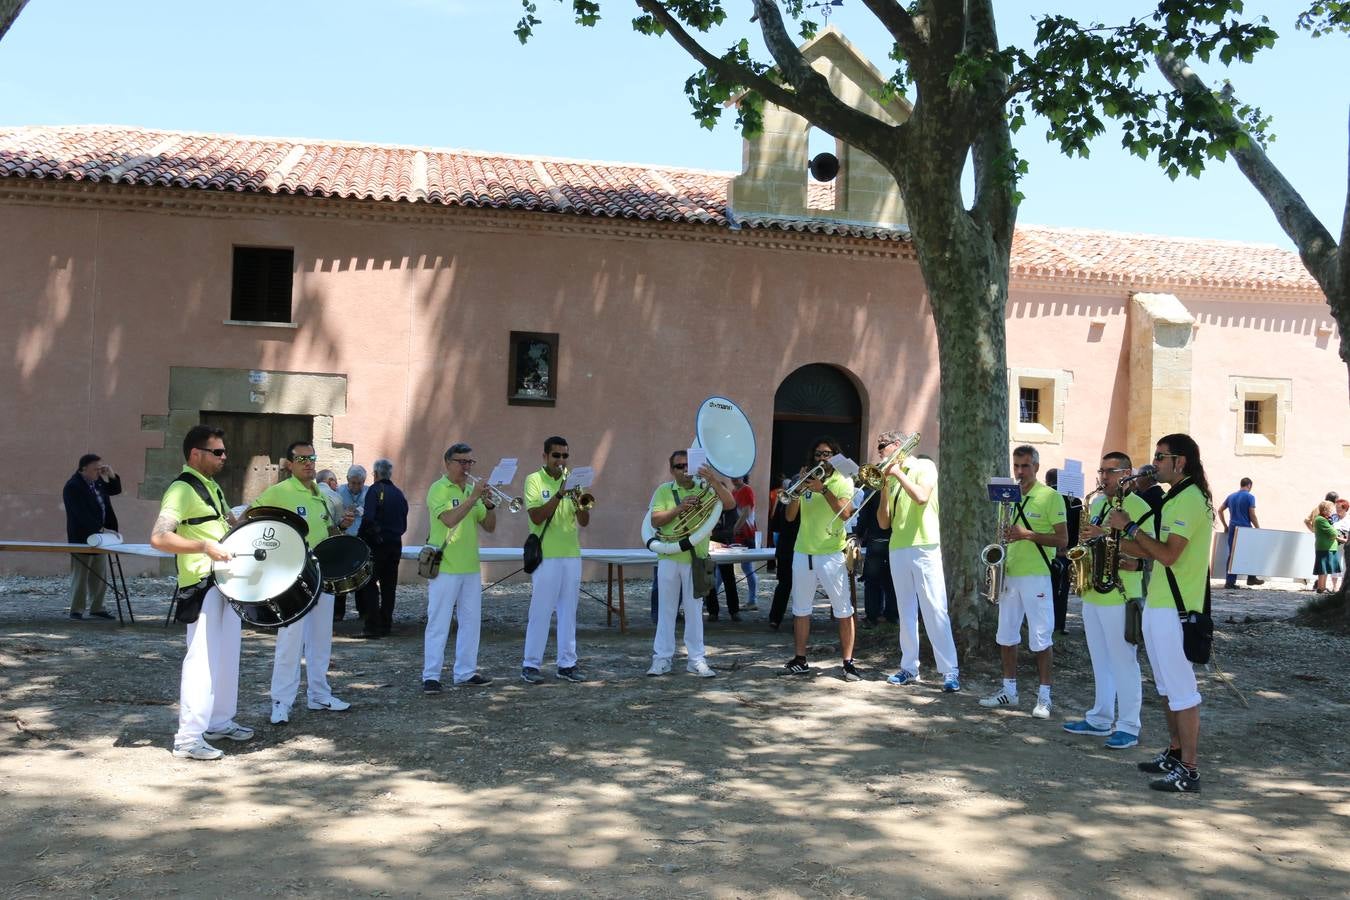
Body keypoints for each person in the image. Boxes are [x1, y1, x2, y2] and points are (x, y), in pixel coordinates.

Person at [1107, 433, 1214, 793]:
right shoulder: (1176, 497)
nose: (1155, 462)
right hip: (1161, 603)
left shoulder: (1190, 500)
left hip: (1178, 608)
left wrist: (1130, 527)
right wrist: (1114, 538)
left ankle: (1190, 769)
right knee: (1167, 688)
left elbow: (1169, 555)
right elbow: (1153, 551)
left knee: (1183, 692)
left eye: (1161, 456)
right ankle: (1175, 751)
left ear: (1180, 461)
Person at [150, 425, 251, 760]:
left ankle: (220, 721)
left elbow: (221, 525)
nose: (224, 457)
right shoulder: (181, 489)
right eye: (217, 452)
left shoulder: (213, 488)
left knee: (226, 657)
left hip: (225, 581)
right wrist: (203, 546)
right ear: (196, 454)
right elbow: (159, 538)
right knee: (202, 660)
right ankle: (188, 738)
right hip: (202, 582)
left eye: (223, 451)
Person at [257, 441, 354, 725]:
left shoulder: (321, 494)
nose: (309, 463)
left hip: (322, 574)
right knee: (290, 641)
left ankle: (319, 695)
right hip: (291, 578)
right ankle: (281, 702)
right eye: (302, 459)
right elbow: (251, 521)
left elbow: (328, 530)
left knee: (321, 639)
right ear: (289, 463)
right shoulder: (278, 492)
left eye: (312, 458)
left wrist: (343, 526)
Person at [1061, 453, 1147, 749]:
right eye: (1101, 471)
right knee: (1100, 660)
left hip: (1121, 592)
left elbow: (1145, 548)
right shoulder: (1097, 503)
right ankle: (1100, 718)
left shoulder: (1138, 507)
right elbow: (1090, 541)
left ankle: (1129, 725)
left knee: (1124, 661)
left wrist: (1104, 537)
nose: (1103, 477)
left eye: (1110, 472)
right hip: (1094, 591)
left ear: (1127, 473)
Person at [980, 445, 1067, 718]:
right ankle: (1009, 690)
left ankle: (1044, 697)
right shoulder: (1008, 497)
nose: (1019, 471)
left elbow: (1063, 541)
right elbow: (1004, 533)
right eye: (1016, 466)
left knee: (1041, 636)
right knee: (1006, 634)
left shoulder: (1050, 497)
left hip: (1036, 574)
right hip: (1009, 573)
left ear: (1037, 468)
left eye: (1025, 466)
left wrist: (1027, 534)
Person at [876, 438, 960, 692]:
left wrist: (897, 473)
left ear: (899, 446)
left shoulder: (924, 466)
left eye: (884, 448)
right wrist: (883, 486)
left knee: (935, 609)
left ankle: (950, 671)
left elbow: (922, 496)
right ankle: (909, 667)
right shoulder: (890, 477)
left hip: (925, 545)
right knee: (906, 611)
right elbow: (883, 523)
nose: (881, 454)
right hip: (898, 547)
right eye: (879, 451)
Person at [647, 450, 735, 677]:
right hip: (668, 557)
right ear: (671, 470)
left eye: (687, 465)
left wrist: (713, 479)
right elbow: (655, 520)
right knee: (666, 611)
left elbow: (730, 503)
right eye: (678, 466)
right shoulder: (664, 490)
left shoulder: (704, 488)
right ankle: (662, 659)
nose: (684, 470)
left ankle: (696, 659)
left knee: (695, 612)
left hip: (696, 559)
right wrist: (679, 509)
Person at [780, 437, 859, 681]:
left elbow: (846, 513)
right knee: (801, 609)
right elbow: (790, 517)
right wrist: (797, 491)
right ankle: (800, 659)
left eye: (826, 454)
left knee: (844, 610)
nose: (821, 458)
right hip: (803, 551)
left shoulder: (843, 480)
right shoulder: (804, 481)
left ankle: (848, 663)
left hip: (831, 553)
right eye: (817, 454)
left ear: (835, 456)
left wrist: (823, 489)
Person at [421, 444, 496, 691]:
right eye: (461, 462)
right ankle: (431, 675)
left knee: (471, 622)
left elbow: (490, 526)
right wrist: (474, 497)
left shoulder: (471, 491)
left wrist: (490, 504)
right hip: (445, 567)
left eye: (470, 462)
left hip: (471, 567)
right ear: (447, 463)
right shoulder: (438, 489)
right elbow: (449, 519)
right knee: (439, 622)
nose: (466, 467)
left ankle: (465, 671)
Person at [521, 436, 591, 684]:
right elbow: (537, 517)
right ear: (545, 457)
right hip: (547, 556)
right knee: (540, 612)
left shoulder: (573, 481)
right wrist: (561, 494)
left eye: (565, 456)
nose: (561, 461)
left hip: (571, 555)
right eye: (556, 456)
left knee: (569, 612)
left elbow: (584, 522)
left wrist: (581, 503)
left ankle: (567, 664)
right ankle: (531, 664)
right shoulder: (533, 480)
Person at [62, 453, 121, 620]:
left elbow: (115, 490)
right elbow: (80, 515)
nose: (98, 471)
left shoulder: (98, 482)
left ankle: (97, 607)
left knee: (100, 574)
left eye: (100, 468)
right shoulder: (73, 486)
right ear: (83, 468)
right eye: (95, 468)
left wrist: (112, 475)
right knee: (80, 574)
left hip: (101, 537)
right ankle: (77, 609)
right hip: (82, 537)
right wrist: (101, 529)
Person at [357, 458, 408, 637]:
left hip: (376, 545)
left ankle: (372, 626)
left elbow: (368, 517)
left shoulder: (375, 490)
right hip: (395, 544)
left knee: (369, 584)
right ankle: (386, 624)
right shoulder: (399, 493)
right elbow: (404, 521)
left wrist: (361, 538)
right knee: (389, 586)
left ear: (375, 474)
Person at [853, 442, 898, 628]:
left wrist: (858, 534)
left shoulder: (871, 491)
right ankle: (889, 616)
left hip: (880, 541)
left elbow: (863, 517)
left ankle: (874, 616)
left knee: (875, 582)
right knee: (886, 582)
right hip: (885, 541)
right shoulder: (873, 491)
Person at [330, 465, 368, 622]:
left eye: (359, 483)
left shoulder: (369, 492)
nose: (356, 487)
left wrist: (360, 510)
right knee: (341, 575)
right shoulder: (339, 492)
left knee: (362, 575)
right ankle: (338, 612)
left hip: (361, 538)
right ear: (347, 480)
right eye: (353, 483)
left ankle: (363, 611)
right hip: (343, 538)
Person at [1218, 477, 1263, 589]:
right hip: (1245, 529)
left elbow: (1220, 510)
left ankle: (1230, 581)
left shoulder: (1231, 496)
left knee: (1232, 554)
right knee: (1251, 552)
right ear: (1249, 485)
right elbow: (1252, 514)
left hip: (1233, 527)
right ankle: (1251, 578)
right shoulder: (1250, 497)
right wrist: (1258, 528)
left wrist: (1225, 525)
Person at [766, 489, 800, 629]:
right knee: (796, 585)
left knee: (784, 585)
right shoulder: (804, 501)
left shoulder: (783, 500)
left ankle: (775, 618)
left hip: (785, 547)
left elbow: (774, 526)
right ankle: (798, 617)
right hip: (795, 547)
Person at [731, 474, 759, 609]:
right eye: (732, 475)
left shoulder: (746, 490)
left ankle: (752, 600)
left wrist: (735, 527)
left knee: (747, 568)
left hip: (746, 533)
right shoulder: (733, 492)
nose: (734, 478)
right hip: (738, 534)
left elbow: (746, 512)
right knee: (722, 567)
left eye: (737, 475)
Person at [1306, 500, 1341, 593]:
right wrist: (1335, 530)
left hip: (1329, 547)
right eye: (1331, 509)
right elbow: (1333, 533)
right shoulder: (1320, 519)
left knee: (1326, 569)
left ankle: (1323, 587)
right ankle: (1321, 588)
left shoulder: (1326, 519)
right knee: (1323, 569)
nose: (1332, 511)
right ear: (1326, 509)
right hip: (1324, 547)